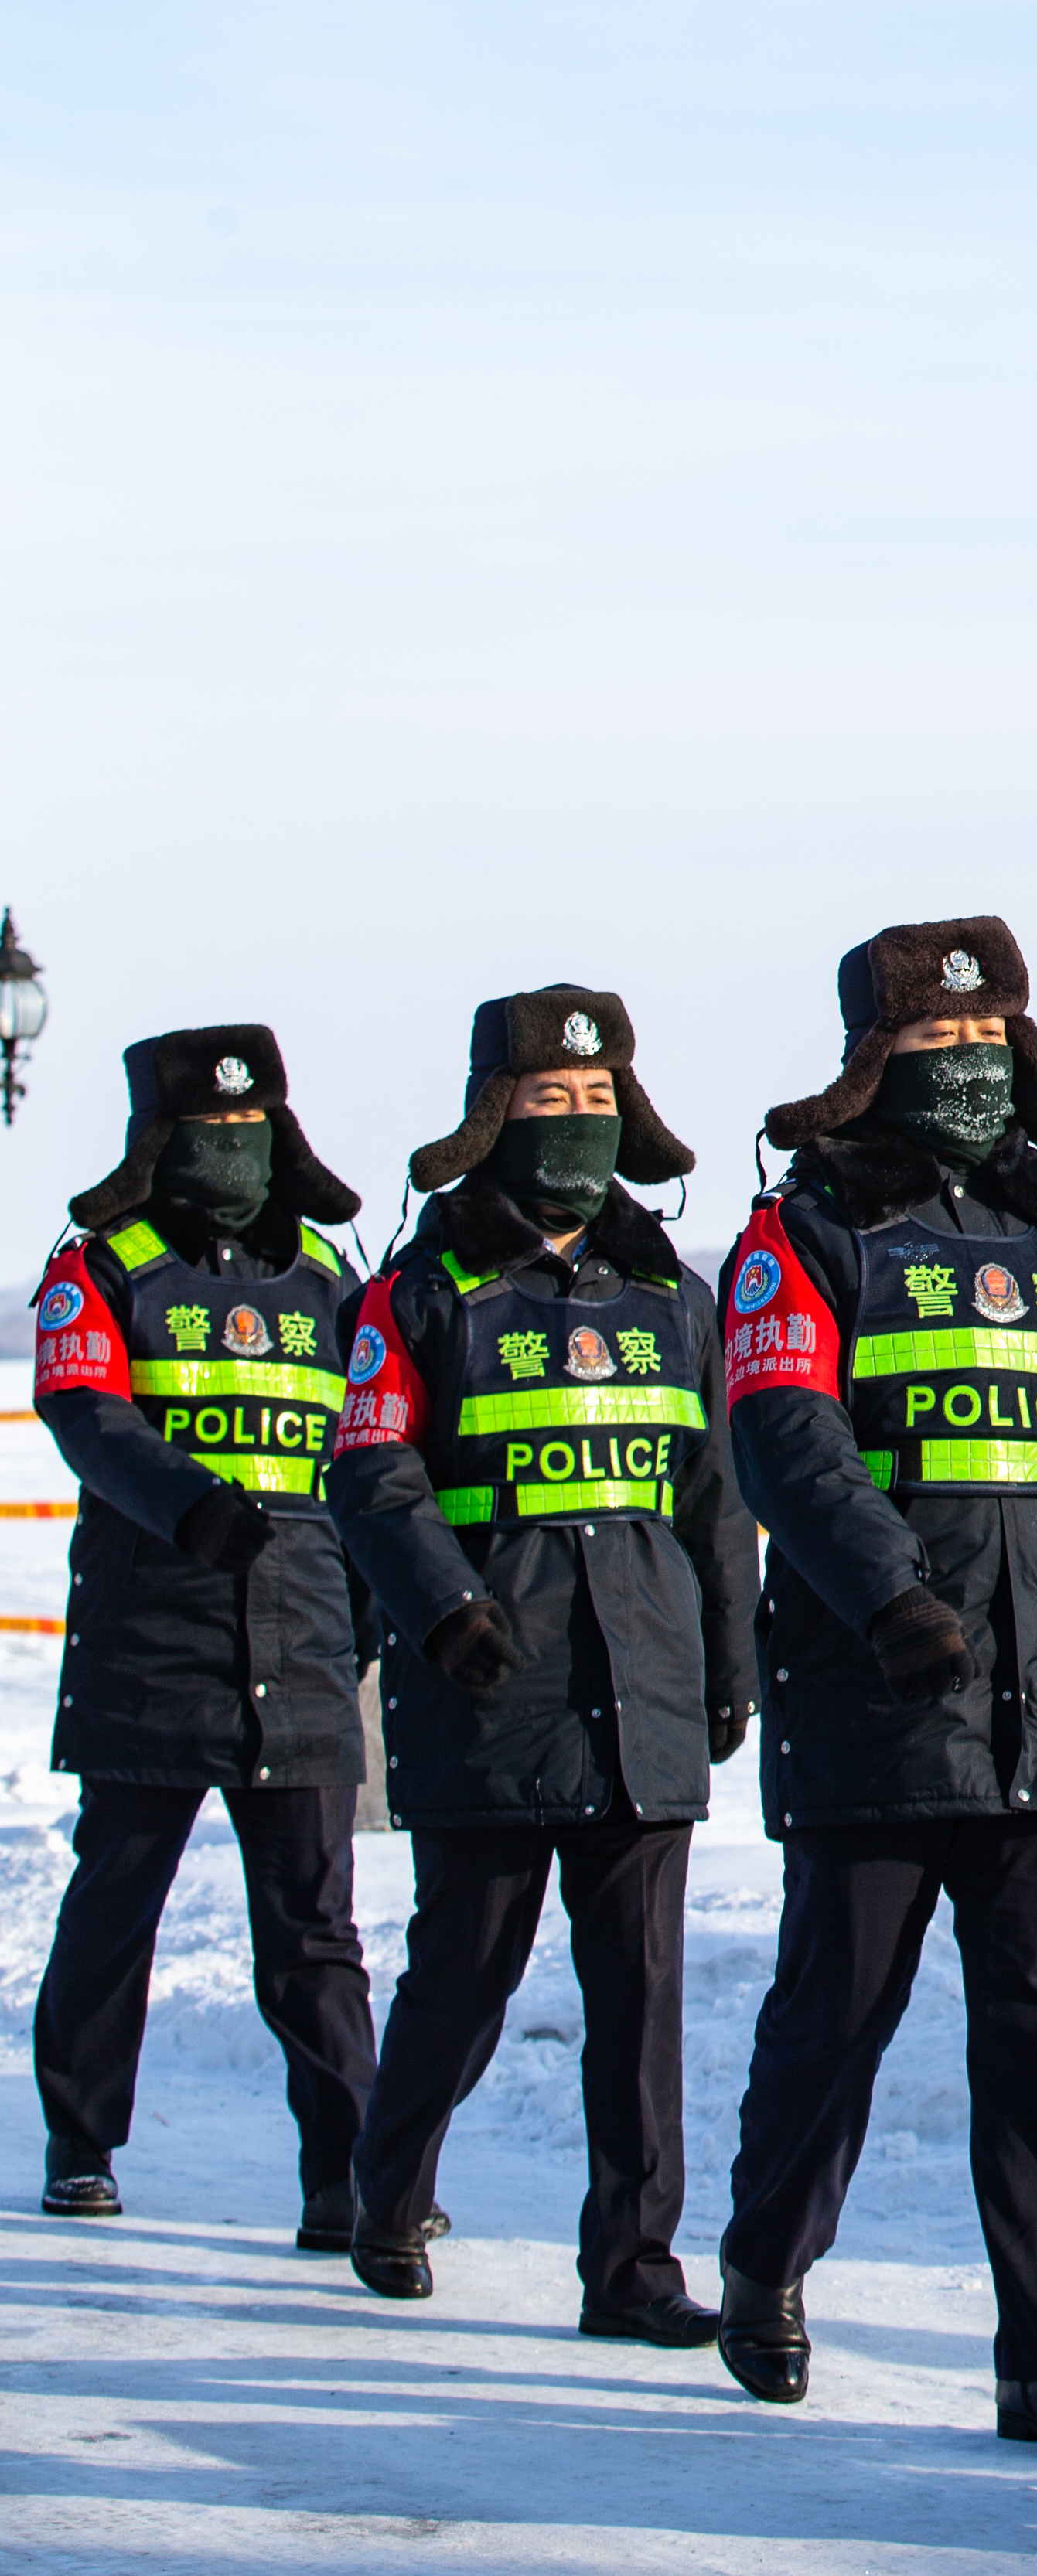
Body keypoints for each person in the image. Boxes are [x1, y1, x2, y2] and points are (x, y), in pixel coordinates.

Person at [713, 915, 1037, 2452]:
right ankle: (765, 2271)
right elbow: (785, 1434)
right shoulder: (804, 1234)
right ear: (869, 1065)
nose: (967, 1070)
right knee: (839, 2010)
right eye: (933, 1046)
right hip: (881, 1694)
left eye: (988, 1043)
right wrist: (888, 1594)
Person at [326, 986, 758, 2339]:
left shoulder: (674, 1298)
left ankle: (633, 2274)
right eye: (545, 1098)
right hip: (488, 1686)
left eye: (597, 1099)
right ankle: (385, 2198)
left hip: (645, 1694)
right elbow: (370, 1466)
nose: (575, 1122)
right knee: (464, 1977)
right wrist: (444, 1607)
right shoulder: (419, 1292)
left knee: (639, 2010)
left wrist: (731, 1659)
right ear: (488, 1114)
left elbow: (714, 1498)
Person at [29, 1026, 378, 2240]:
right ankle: (82, 2141)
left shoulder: (332, 1278)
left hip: (307, 1636)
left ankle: (346, 2173)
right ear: (156, 1141)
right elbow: (84, 1412)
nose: (234, 1148)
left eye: (252, 1126)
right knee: (118, 1903)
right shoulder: (101, 1270)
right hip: (150, 1636)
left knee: (313, 1927)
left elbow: (378, 1452)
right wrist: (189, 1508)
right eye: (207, 1130)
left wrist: (373, 1606)